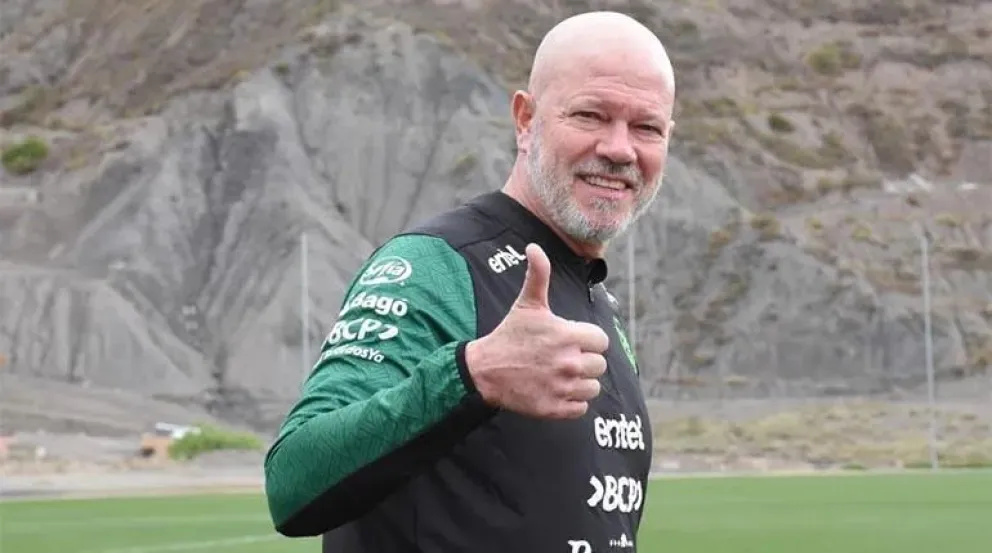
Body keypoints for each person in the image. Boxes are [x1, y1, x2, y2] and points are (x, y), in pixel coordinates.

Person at [264, 10, 676, 553]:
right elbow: (293, 481)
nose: (620, 148)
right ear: (526, 120)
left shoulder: (600, 301)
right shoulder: (437, 267)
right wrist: (472, 375)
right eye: (591, 115)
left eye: (645, 126)